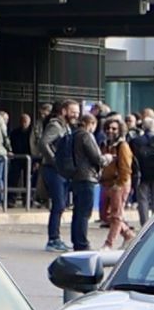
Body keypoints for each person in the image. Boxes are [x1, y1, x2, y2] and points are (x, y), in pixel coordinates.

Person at [59, 101, 104, 251]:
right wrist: (107, 158)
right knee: (84, 212)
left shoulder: (73, 134)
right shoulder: (86, 135)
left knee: (77, 212)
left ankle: (76, 241)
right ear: (91, 124)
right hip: (87, 177)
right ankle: (82, 243)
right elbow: (96, 157)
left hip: (75, 176)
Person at [38, 103, 72, 249]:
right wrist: (54, 160)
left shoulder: (65, 126)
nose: (76, 115)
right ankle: (53, 239)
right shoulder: (56, 126)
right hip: (54, 170)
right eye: (73, 111)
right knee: (58, 205)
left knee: (61, 205)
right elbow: (43, 143)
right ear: (64, 111)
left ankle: (55, 238)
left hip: (61, 170)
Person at [99, 119, 137, 246]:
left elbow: (126, 167)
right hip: (106, 182)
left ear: (120, 130)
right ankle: (128, 234)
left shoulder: (123, 146)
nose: (110, 131)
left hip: (118, 183)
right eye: (108, 128)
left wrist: (119, 183)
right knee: (104, 215)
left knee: (116, 215)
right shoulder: (104, 144)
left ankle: (109, 243)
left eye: (114, 128)